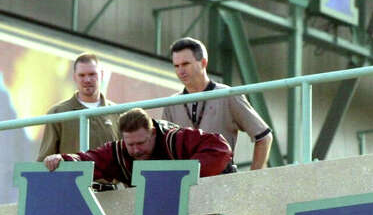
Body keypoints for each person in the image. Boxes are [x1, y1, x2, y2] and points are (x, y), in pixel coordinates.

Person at [43, 107, 232, 186]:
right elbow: (88, 160)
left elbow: (220, 148)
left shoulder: (175, 139)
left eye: (141, 143)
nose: (135, 150)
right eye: (130, 144)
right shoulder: (117, 152)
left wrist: (181, 177)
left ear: (153, 133)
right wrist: (63, 158)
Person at [163, 37, 273, 172]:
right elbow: (164, 150)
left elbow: (264, 136)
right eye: (176, 66)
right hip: (183, 180)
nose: (180, 71)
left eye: (185, 64)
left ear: (203, 63)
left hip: (221, 178)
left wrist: (251, 180)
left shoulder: (227, 95)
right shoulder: (171, 103)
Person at [36, 53, 120, 163]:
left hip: (108, 180)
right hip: (72, 179)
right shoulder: (57, 113)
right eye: (82, 75)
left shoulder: (118, 113)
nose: (87, 80)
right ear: (74, 77)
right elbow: (45, 161)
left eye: (92, 74)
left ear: (102, 75)